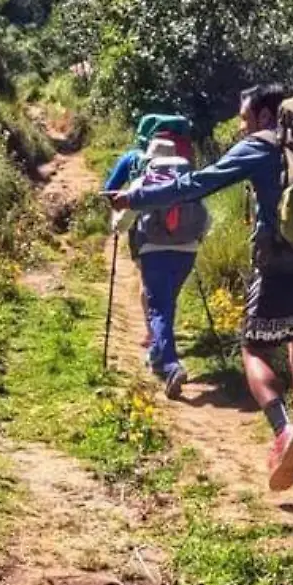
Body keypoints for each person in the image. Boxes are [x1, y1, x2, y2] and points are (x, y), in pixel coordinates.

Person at [114, 83, 293, 492]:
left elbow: (195, 185)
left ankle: (283, 431)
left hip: (279, 267)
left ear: (263, 115)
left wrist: (136, 198)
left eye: (243, 119)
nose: (241, 128)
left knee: (254, 349)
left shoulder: (259, 146)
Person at [105, 129, 206, 400]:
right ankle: (157, 355)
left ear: (151, 159)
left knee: (159, 308)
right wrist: (194, 241)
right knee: (167, 303)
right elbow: (206, 220)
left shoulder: (144, 182)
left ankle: (172, 366)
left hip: (154, 251)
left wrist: (116, 225)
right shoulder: (189, 181)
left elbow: (123, 220)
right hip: (188, 251)